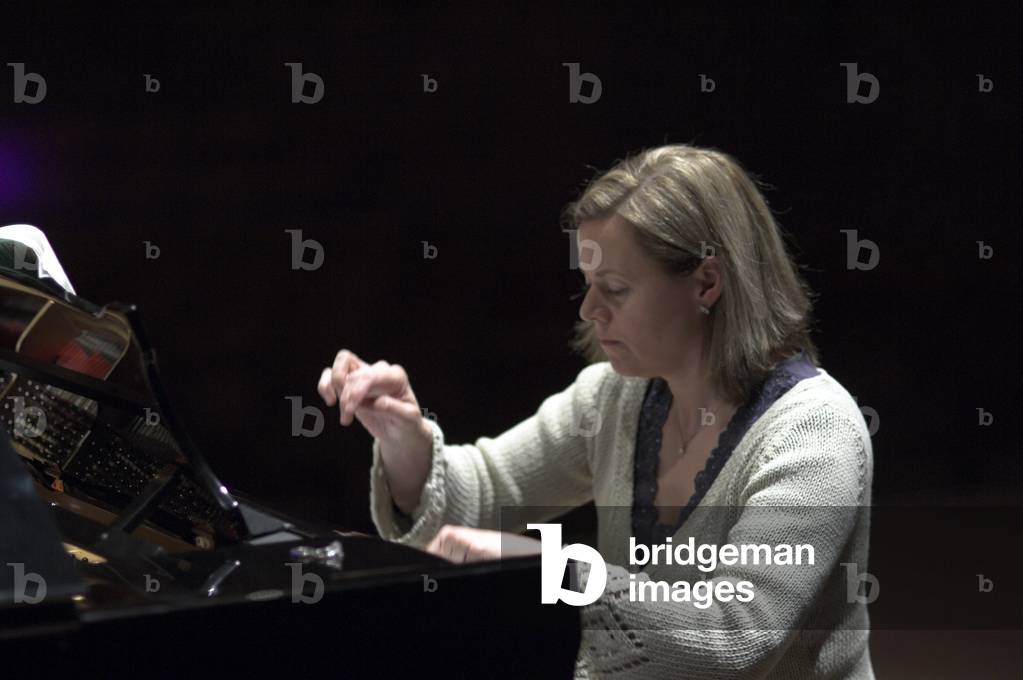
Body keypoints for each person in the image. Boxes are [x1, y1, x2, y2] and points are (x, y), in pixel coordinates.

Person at [317, 144, 875, 679]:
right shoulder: (616, 398)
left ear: (707, 282)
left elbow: (735, 636)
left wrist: (552, 572)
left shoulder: (815, 432)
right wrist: (403, 438)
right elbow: (486, 494)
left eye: (615, 288)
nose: (589, 309)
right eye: (588, 285)